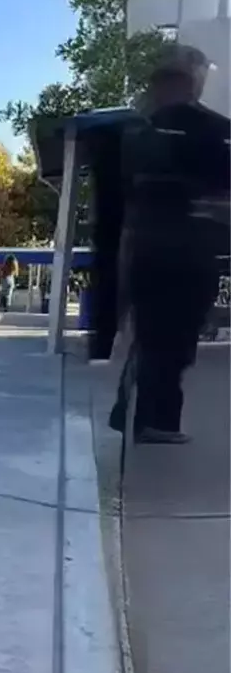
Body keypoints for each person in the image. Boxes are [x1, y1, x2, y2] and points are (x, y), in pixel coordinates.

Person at [109, 44, 230, 443]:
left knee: (152, 334)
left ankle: (136, 412)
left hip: (147, 245)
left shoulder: (138, 128)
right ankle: (155, 420)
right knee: (174, 339)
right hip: (188, 249)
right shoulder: (212, 129)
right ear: (193, 79)